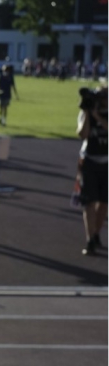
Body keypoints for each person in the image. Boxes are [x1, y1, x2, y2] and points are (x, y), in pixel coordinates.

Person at [77, 86, 108, 255]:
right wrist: (89, 114)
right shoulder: (87, 113)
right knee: (88, 202)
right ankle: (89, 239)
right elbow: (83, 134)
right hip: (90, 161)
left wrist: (99, 116)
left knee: (104, 202)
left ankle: (96, 233)